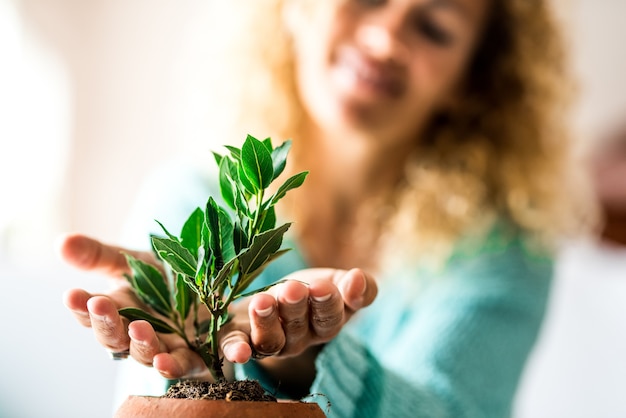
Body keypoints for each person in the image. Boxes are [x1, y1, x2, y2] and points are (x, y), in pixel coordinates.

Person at [60, 0, 593, 416]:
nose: (385, 39)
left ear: (471, 81)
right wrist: (187, 344)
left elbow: (449, 409)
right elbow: (161, 396)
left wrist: (306, 360)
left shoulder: (503, 252)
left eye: (433, 27)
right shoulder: (190, 200)